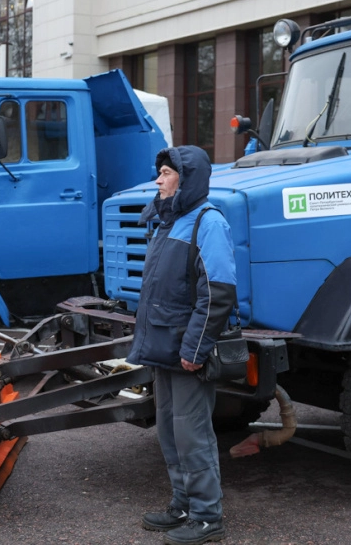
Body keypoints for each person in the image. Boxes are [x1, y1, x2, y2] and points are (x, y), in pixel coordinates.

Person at [127, 146, 236, 545]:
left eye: (167, 173)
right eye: (159, 172)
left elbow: (218, 293)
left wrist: (194, 349)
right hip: (163, 348)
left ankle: (208, 516)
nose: (159, 180)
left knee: (193, 435)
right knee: (170, 432)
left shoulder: (208, 223)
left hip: (185, 352)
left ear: (187, 179)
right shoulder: (167, 222)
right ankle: (183, 504)